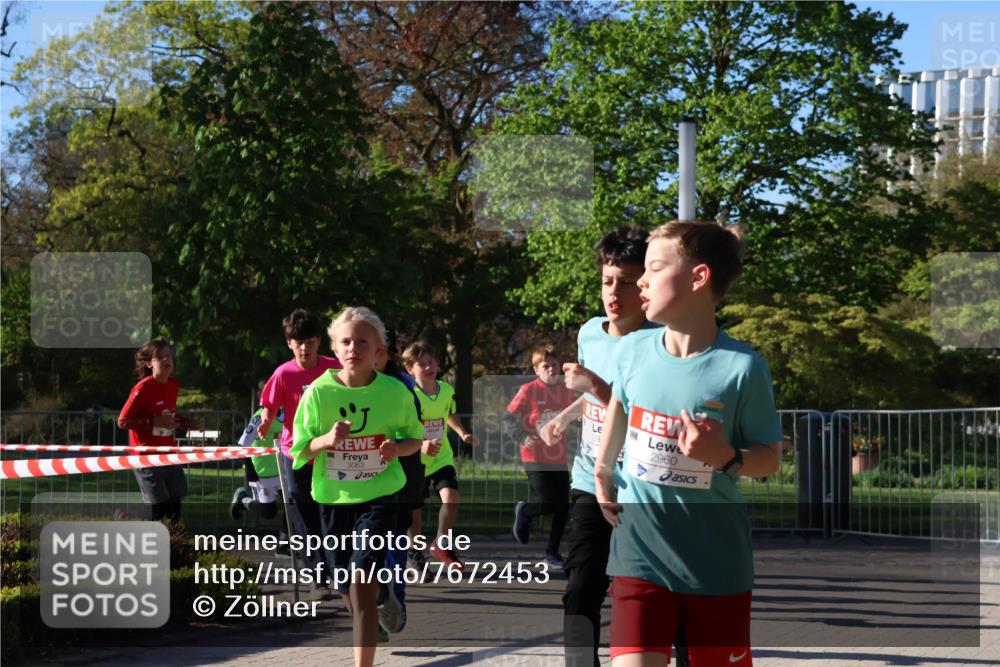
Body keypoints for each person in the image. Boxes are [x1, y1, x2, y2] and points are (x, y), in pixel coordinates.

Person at [596, 221, 782, 667]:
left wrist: (724, 456)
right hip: (639, 553)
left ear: (699, 278)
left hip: (715, 565)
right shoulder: (633, 350)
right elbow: (621, 404)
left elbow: (770, 460)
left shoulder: (742, 368)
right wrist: (604, 469)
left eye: (654, 268)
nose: (641, 279)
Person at [536, 226, 659, 667]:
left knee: (659, 595)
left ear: (646, 284)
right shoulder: (590, 332)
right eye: (608, 280)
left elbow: (646, 415)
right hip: (591, 478)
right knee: (580, 587)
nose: (615, 292)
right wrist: (563, 419)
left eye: (627, 281)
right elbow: (590, 395)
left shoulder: (662, 342)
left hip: (642, 487)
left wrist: (603, 389)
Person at [291, 306, 424, 667]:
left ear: (379, 349)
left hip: (380, 497)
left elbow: (415, 437)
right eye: (346, 341)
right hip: (333, 499)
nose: (354, 348)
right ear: (334, 348)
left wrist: (397, 449)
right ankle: (384, 594)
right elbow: (299, 450)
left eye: (362, 342)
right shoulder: (318, 394)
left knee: (361, 583)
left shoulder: (395, 392)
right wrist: (325, 441)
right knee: (348, 586)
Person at [258, 309, 341, 596]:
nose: (304, 348)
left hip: (330, 453)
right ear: (289, 343)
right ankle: (318, 577)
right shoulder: (283, 373)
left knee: (329, 512)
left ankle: (335, 569)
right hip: (296, 453)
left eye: (310, 341)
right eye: (298, 342)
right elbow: (270, 404)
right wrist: (267, 422)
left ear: (319, 341)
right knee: (302, 514)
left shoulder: (334, 368)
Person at [402, 341, 478, 569]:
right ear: (410, 369)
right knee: (415, 512)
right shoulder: (408, 394)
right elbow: (401, 428)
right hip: (415, 459)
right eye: (421, 364)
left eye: (431, 362)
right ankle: (414, 552)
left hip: (441, 457)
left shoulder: (446, 390)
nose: (428, 367)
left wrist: (462, 433)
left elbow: (450, 414)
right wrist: (420, 444)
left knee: (452, 498)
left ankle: (441, 543)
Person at [506, 344, 575, 568]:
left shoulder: (567, 389)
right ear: (536, 369)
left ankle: (552, 553)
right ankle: (525, 510)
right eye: (546, 366)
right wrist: (520, 435)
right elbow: (507, 418)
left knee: (563, 507)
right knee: (549, 503)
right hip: (534, 455)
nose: (551, 370)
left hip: (558, 455)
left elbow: (577, 412)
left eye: (555, 365)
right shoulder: (529, 390)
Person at [117, 337, 189, 521]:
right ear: (149, 363)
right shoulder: (142, 389)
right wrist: (154, 421)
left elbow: (166, 417)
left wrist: (184, 422)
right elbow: (123, 421)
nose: (167, 360)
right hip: (145, 456)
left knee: (175, 505)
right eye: (160, 357)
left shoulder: (173, 385)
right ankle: (128, 521)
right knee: (159, 508)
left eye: (169, 356)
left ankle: (173, 545)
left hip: (169, 452)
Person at [230, 407, 284, 522]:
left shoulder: (289, 412)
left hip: (282, 470)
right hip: (261, 473)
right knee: (268, 513)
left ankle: (287, 535)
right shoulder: (259, 417)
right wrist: (249, 469)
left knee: (293, 505)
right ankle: (242, 499)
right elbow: (243, 444)